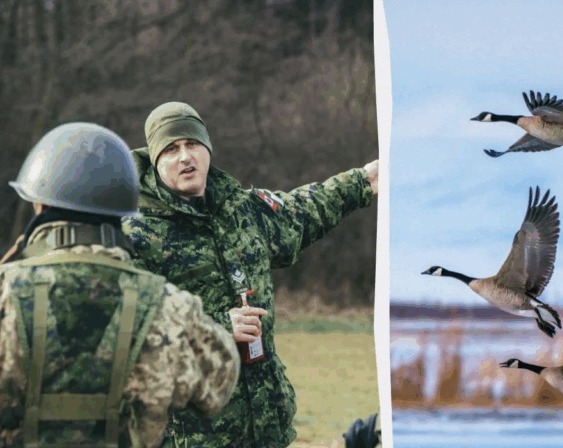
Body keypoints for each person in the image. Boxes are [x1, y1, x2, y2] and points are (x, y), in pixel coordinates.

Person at [121, 102, 378, 447]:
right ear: (155, 160)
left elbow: (305, 209)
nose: (185, 157)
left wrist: (364, 180)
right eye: (171, 149)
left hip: (265, 428)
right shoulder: (135, 235)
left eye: (192, 144)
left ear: (207, 148)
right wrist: (215, 328)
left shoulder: (243, 210)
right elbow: (131, 332)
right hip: (194, 437)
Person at [0, 123, 241, 448]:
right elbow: (219, 382)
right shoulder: (168, 306)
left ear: (40, 206)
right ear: (121, 212)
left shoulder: (5, 293)